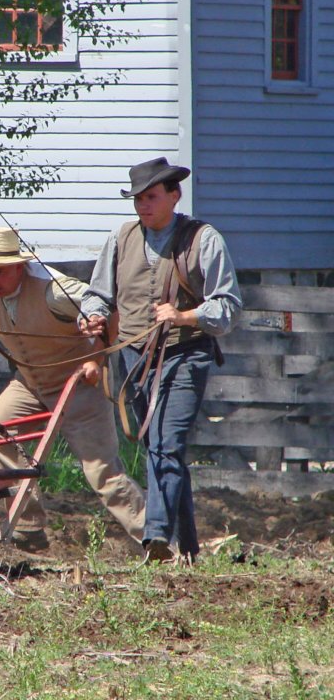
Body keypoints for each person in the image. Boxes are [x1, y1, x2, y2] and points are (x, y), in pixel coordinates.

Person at [0, 227, 146, 552]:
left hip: (78, 382)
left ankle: (155, 540)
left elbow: (109, 315)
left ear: (19, 266)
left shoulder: (54, 289)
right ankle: (27, 525)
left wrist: (97, 361)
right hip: (30, 382)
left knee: (102, 472)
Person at [80, 157, 242, 564]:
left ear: (174, 195)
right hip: (135, 358)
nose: (143, 206)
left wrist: (186, 315)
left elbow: (228, 306)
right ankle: (188, 546)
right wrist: (93, 316)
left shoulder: (203, 239)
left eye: (151, 197)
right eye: (137, 199)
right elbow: (97, 294)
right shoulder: (121, 239)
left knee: (166, 445)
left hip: (187, 353)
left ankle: (155, 539)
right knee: (159, 448)